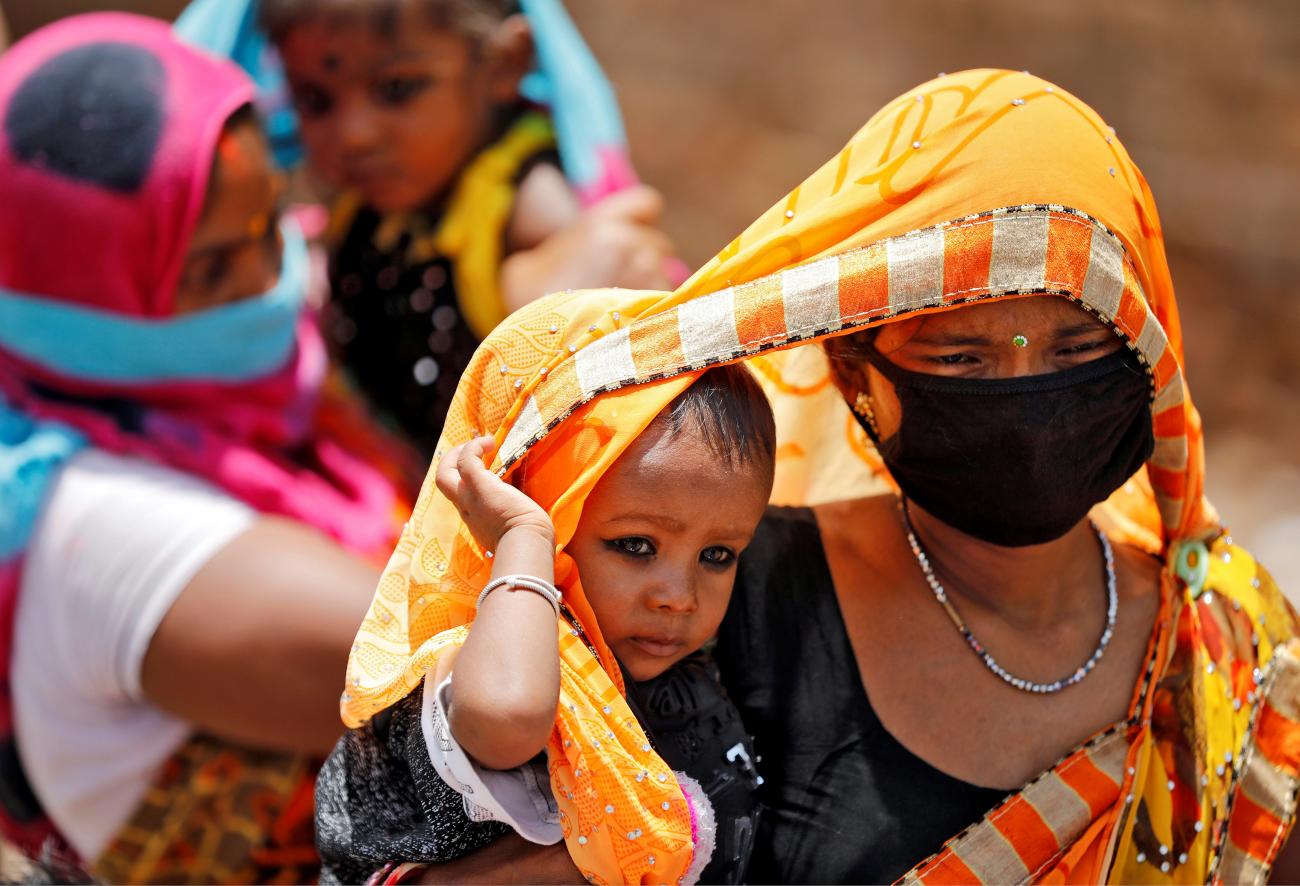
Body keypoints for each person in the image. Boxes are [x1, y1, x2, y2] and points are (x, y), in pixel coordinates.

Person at [354, 69, 1300, 884]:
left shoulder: (1227, 650)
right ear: (856, 375)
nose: (1026, 394)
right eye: (963, 358)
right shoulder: (714, 592)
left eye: (1078, 347)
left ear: (1148, 353)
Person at [0, 14, 410, 882]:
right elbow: (454, 666)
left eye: (271, 224)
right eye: (215, 268)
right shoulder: (92, 517)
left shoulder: (258, 396)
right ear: (72, 290)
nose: (275, 280)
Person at [316, 362, 774, 885]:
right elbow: (506, 721)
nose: (679, 596)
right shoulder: (491, 650)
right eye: (635, 546)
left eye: (716, 555)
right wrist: (521, 537)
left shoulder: (683, 667)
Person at [244, 0, 678, 458]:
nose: (355, 133)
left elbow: (571, 340)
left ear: (504, 62)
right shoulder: (382, 192)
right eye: (315, 100)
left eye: (396, 88)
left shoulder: (526, 204)